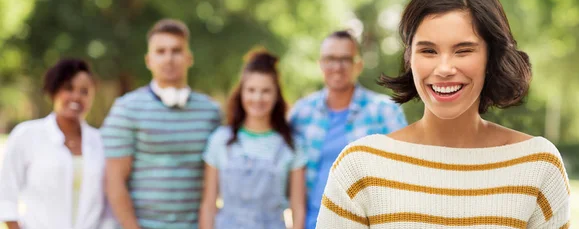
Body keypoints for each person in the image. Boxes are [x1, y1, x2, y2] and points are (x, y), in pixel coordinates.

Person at [315, 0, 571, 228]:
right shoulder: (359, 167)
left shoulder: (537, 165)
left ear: (491, 57)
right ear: (410, 58)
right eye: (428, 51)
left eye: (463, 50)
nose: (444, 68)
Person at [101, 19, 222, 229]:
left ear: (189, 58)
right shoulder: (126, 109)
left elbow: (213, 185)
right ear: (149, 60)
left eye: (176, 51)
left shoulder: (211, 112)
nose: (169, 59)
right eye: (161, 51)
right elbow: (114, 182)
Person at [289, 30, 408, 229]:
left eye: (345, 59)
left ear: (358, 65)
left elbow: (403, 174)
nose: (337, 67)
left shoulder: (384, 111)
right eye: (330, 59)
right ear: (321, 64)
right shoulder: (301, 113)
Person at [0, 59, 116, 229]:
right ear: (54, 91)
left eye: (84, 91)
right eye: (68, 88)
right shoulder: (28, 135)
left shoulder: (101, 141)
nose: (76, 96)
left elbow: (108, 203)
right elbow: (5, 190)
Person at [200, 49, 306, 229]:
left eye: (266, 91)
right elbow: (209, 205)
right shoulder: (220, 140)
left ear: (276, 95)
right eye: (251, 90)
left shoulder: (291, 145)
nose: (257, 98)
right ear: (241, 93)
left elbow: (298, 208)